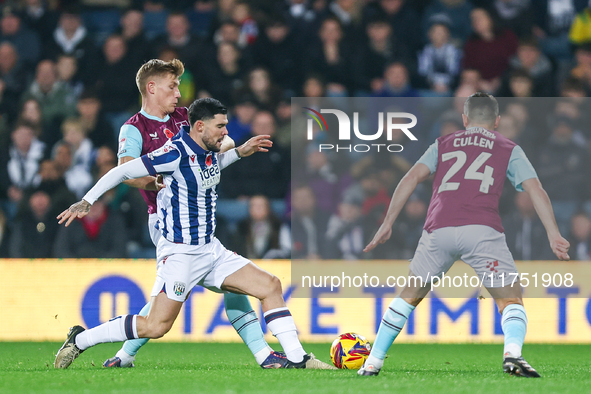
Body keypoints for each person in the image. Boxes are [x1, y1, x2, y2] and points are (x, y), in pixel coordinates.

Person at [54, 98, 334, 371]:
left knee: (270, 286)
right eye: (221, 126)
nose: (226, 132)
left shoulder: (208, 150)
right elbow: (122, 171)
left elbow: (210, 167)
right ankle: (80, 339)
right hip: (181, 255)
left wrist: (238, 152)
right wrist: (87, 201)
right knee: (156, 326)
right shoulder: (173, 153)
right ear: (199, 126)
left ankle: (298, 359)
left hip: (211, 250)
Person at [358, 93, 570, 378]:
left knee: (409, 296)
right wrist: (553, 233)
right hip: (482, 230)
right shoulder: (508, 147)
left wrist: (387, 222)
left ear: (464, 119)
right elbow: (536, 190)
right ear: (496, 121)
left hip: (439, 228)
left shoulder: (443, 143)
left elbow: (410, 178)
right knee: (510, 300)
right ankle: (513, 354)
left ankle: (373, 362)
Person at [100, 59, 287, 369]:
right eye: (172, 86)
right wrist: (161, 179)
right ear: (152, 88)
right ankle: (264, 354)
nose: (178, 92)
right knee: (175, 296)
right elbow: (126, 171)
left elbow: (218, 138)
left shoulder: (183, 118)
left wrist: (227, 145)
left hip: (195, 213)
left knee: (216, 285)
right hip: (165, 218)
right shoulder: (134, 128)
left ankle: (124, 355)